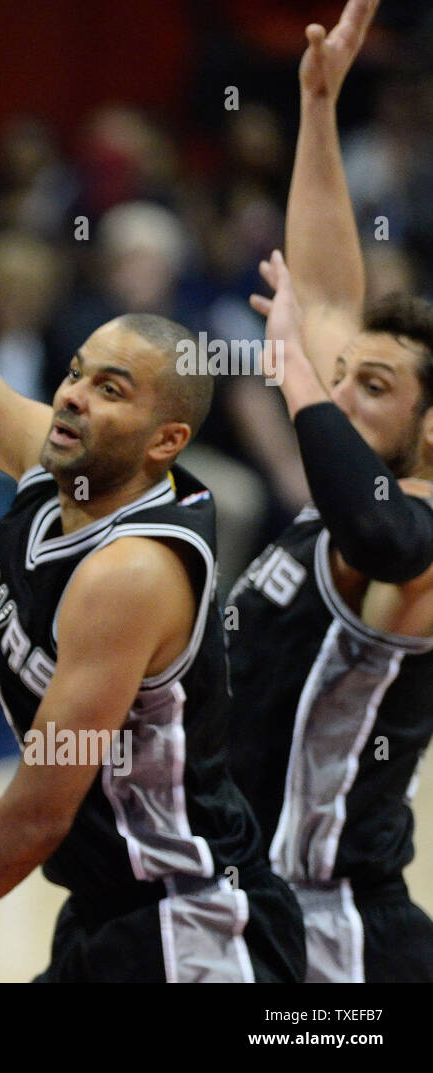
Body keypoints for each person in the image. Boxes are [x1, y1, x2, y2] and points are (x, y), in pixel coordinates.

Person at [0, 37, 304, 982]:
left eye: (110, 389)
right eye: (73, 373)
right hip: (107, 909)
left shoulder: (131, 571)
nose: (71, 397)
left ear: (165, 441)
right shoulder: (45, 461)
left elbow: (39, 806)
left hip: (193, 928)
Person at [228, 0, 433, 983]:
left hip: (339, 926)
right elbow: (329, 301)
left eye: (375, 387)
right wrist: (318, 105)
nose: (342, 386)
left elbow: (386, 534)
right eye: (340, 375)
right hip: (248, 910)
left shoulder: (413, 523)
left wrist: (301, 375)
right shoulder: (351, 468)